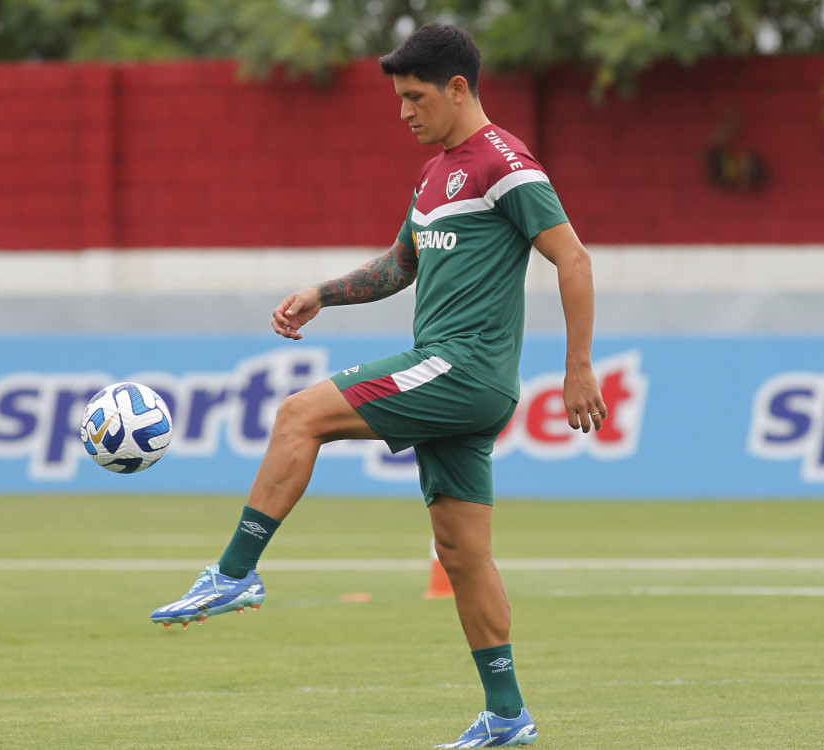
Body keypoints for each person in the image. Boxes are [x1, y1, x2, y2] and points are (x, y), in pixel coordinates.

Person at [150, 21, 606, 748]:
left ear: (459, 89)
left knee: (302, 414)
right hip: (458, 382)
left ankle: (234, 571)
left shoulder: (505, 164)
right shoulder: (433, 176)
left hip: (464, 367)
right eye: (399, 98)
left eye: (416, 97)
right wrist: (320, 294)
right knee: (462, 555)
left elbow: (574, 259)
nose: (404, 112)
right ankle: (507, 714)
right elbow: (400, 266)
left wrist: (578, 367)